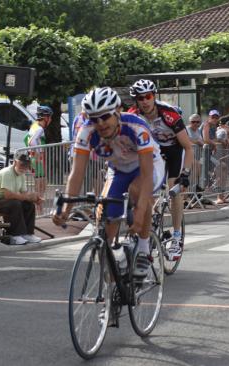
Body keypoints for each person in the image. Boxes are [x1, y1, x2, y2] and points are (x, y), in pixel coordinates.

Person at [53, 87, 165, 277]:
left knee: (138, 195)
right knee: (107, 213)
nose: (101, 123)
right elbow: (77, 172)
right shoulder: (86, 131)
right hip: (118, 168)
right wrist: (66, 208)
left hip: (147, 166)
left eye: (105, 116)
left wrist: (139, 212)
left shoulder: (137, 128)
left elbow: (147, 175)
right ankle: (112, 270)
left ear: (117, 111)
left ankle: (144, 249)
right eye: (94, 118)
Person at [128, 79, 193, 261]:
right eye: (140, 98)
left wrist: (185, 173)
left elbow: (188, 147)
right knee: (142, 188)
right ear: (136, 101)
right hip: (153, 152)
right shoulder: (133, 115)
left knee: (174, 190)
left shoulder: (169, 114)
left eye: (148, 96)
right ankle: (149, 224)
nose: (145, 101)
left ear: (153, 96)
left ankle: (177, 238)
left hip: (174, 150)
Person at [0, 151, 42, 245]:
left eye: (26, 165)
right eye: (22, 165)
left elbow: (24, 193)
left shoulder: (22, 174)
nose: (24, 168)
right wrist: (27, 197)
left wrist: (34, 199)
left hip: (4, 200)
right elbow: (8, 195)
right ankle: (14, 235)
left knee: (29, 205)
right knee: (15, 204)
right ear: (15, 162)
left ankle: (28, 233)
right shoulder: (7, 172)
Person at [24, 106, 52, 212]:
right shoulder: (39, 128)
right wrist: (38, 153)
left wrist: (30, 152)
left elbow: (25, 139)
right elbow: (32, 141)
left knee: (40, 184)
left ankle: (38, 210)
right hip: (38, 160)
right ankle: (39, 211)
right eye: (50, 117)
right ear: (45, 118)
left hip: (34, 160)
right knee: (41, 185)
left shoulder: (34, 126)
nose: (51, 120)